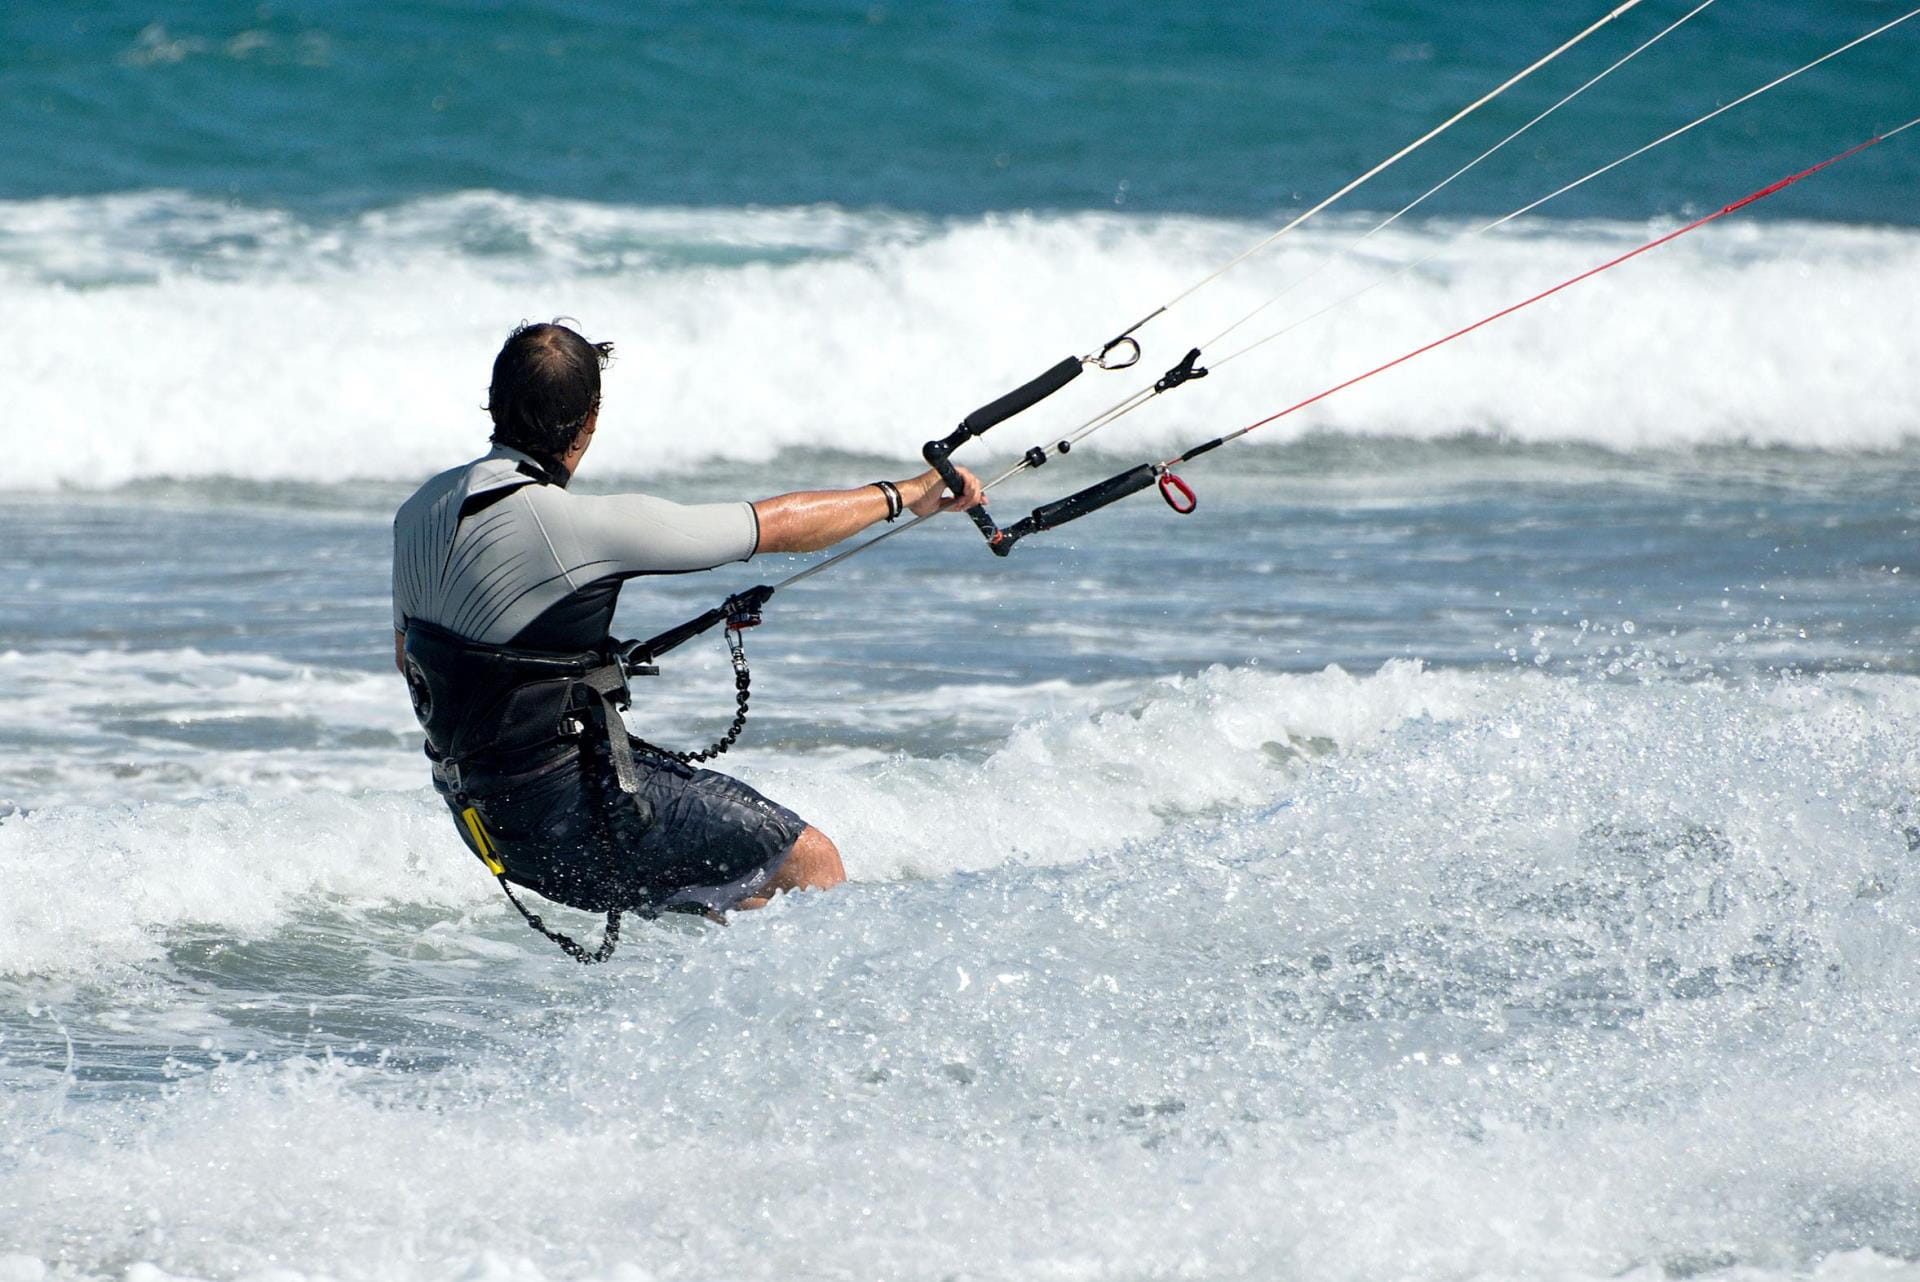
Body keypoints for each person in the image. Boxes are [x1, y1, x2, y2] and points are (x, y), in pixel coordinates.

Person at [392, 321, 984, 943]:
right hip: (570, 821)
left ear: (493, 399)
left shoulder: (417, 513)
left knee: (741, 904)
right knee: (807, 861)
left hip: (487, 824)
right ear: (591, 419)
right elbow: (773, 525)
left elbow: (413, 663)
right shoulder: (582, 525)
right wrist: (907, 492)